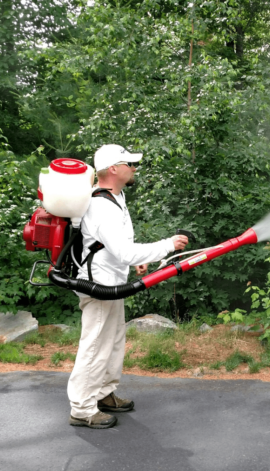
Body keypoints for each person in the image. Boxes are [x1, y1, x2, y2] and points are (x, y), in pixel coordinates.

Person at [67, 144, 188, 429]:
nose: (134, 168)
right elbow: (124, 250)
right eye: (130, 163)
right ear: (113, 169)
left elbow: (121, 245)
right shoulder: (100, 205)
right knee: (95, 345)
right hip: (98, 286)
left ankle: (104, 394)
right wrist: (167, 246)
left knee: (113, 340)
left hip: (112, 281)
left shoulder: (116, 197)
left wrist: (134, 262)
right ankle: (82, 408)